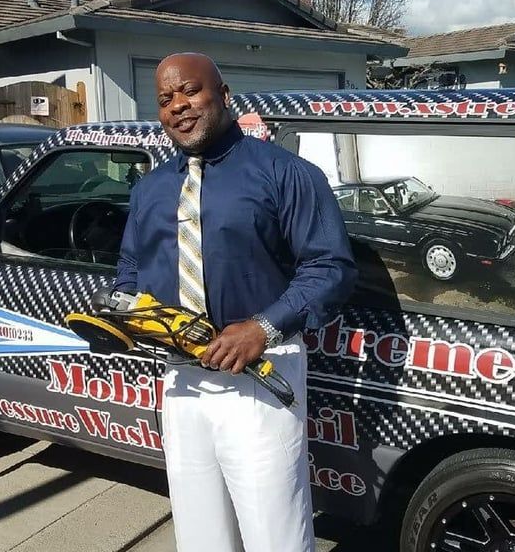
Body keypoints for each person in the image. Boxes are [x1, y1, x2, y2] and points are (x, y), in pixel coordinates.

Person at [114, 52, 357, 552]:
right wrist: (119, 314)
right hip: (182, 379)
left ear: (224, 96)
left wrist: (262, 328)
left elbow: (330, 267)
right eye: (165, 99)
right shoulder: (151, 191)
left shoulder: (286, 174)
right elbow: (131, 272)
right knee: (201, 535)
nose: (178, 105)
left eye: (190, 91)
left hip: (261, 377)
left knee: (276, 535)